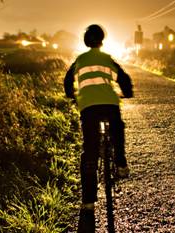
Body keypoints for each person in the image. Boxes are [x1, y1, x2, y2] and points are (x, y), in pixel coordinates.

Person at [64, 24, 133, 211]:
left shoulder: (79, 60)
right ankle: (120, 164)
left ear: (86, 41)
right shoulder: (107, 59)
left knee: (90, 149)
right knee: (117, 127)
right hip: (110, 103)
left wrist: (71, 95)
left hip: (88, 107)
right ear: (102, 41)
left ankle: (88, 201)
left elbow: (68, 80)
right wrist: (127, 93)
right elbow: (124, 78)